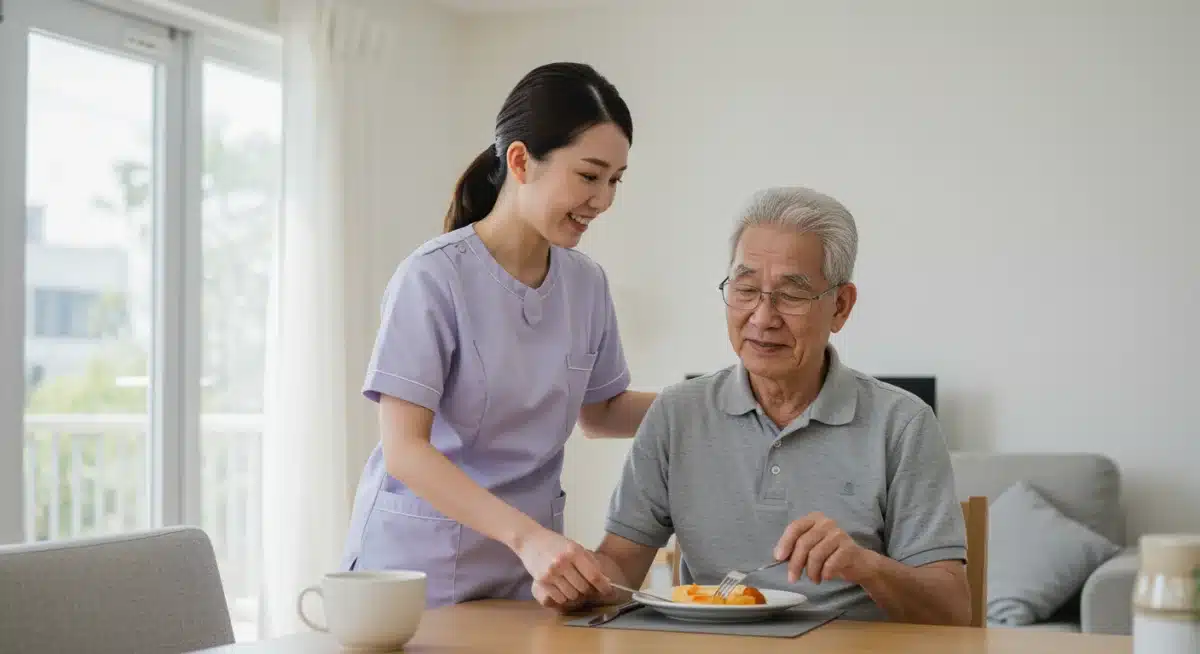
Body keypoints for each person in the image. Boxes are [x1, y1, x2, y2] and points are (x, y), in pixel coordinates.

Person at [535, 186, 972, 625]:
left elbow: (952, 611)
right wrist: (576, 582)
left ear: (840, 306)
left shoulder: (903, 424)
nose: (762, 318)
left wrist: (865, 565)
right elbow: (619, 569)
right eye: (745, 289)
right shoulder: (676, 413)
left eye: (792, 295)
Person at [340, 62, 657, 609]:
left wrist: (717, 404)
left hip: (528, 576)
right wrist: (528, 537)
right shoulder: (434, 277)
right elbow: (405, 451)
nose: (603, 200)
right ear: (520, 161)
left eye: (615, 180)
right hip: (421, 575)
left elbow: (601, 412)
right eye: (588, 175)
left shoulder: (585, 283)